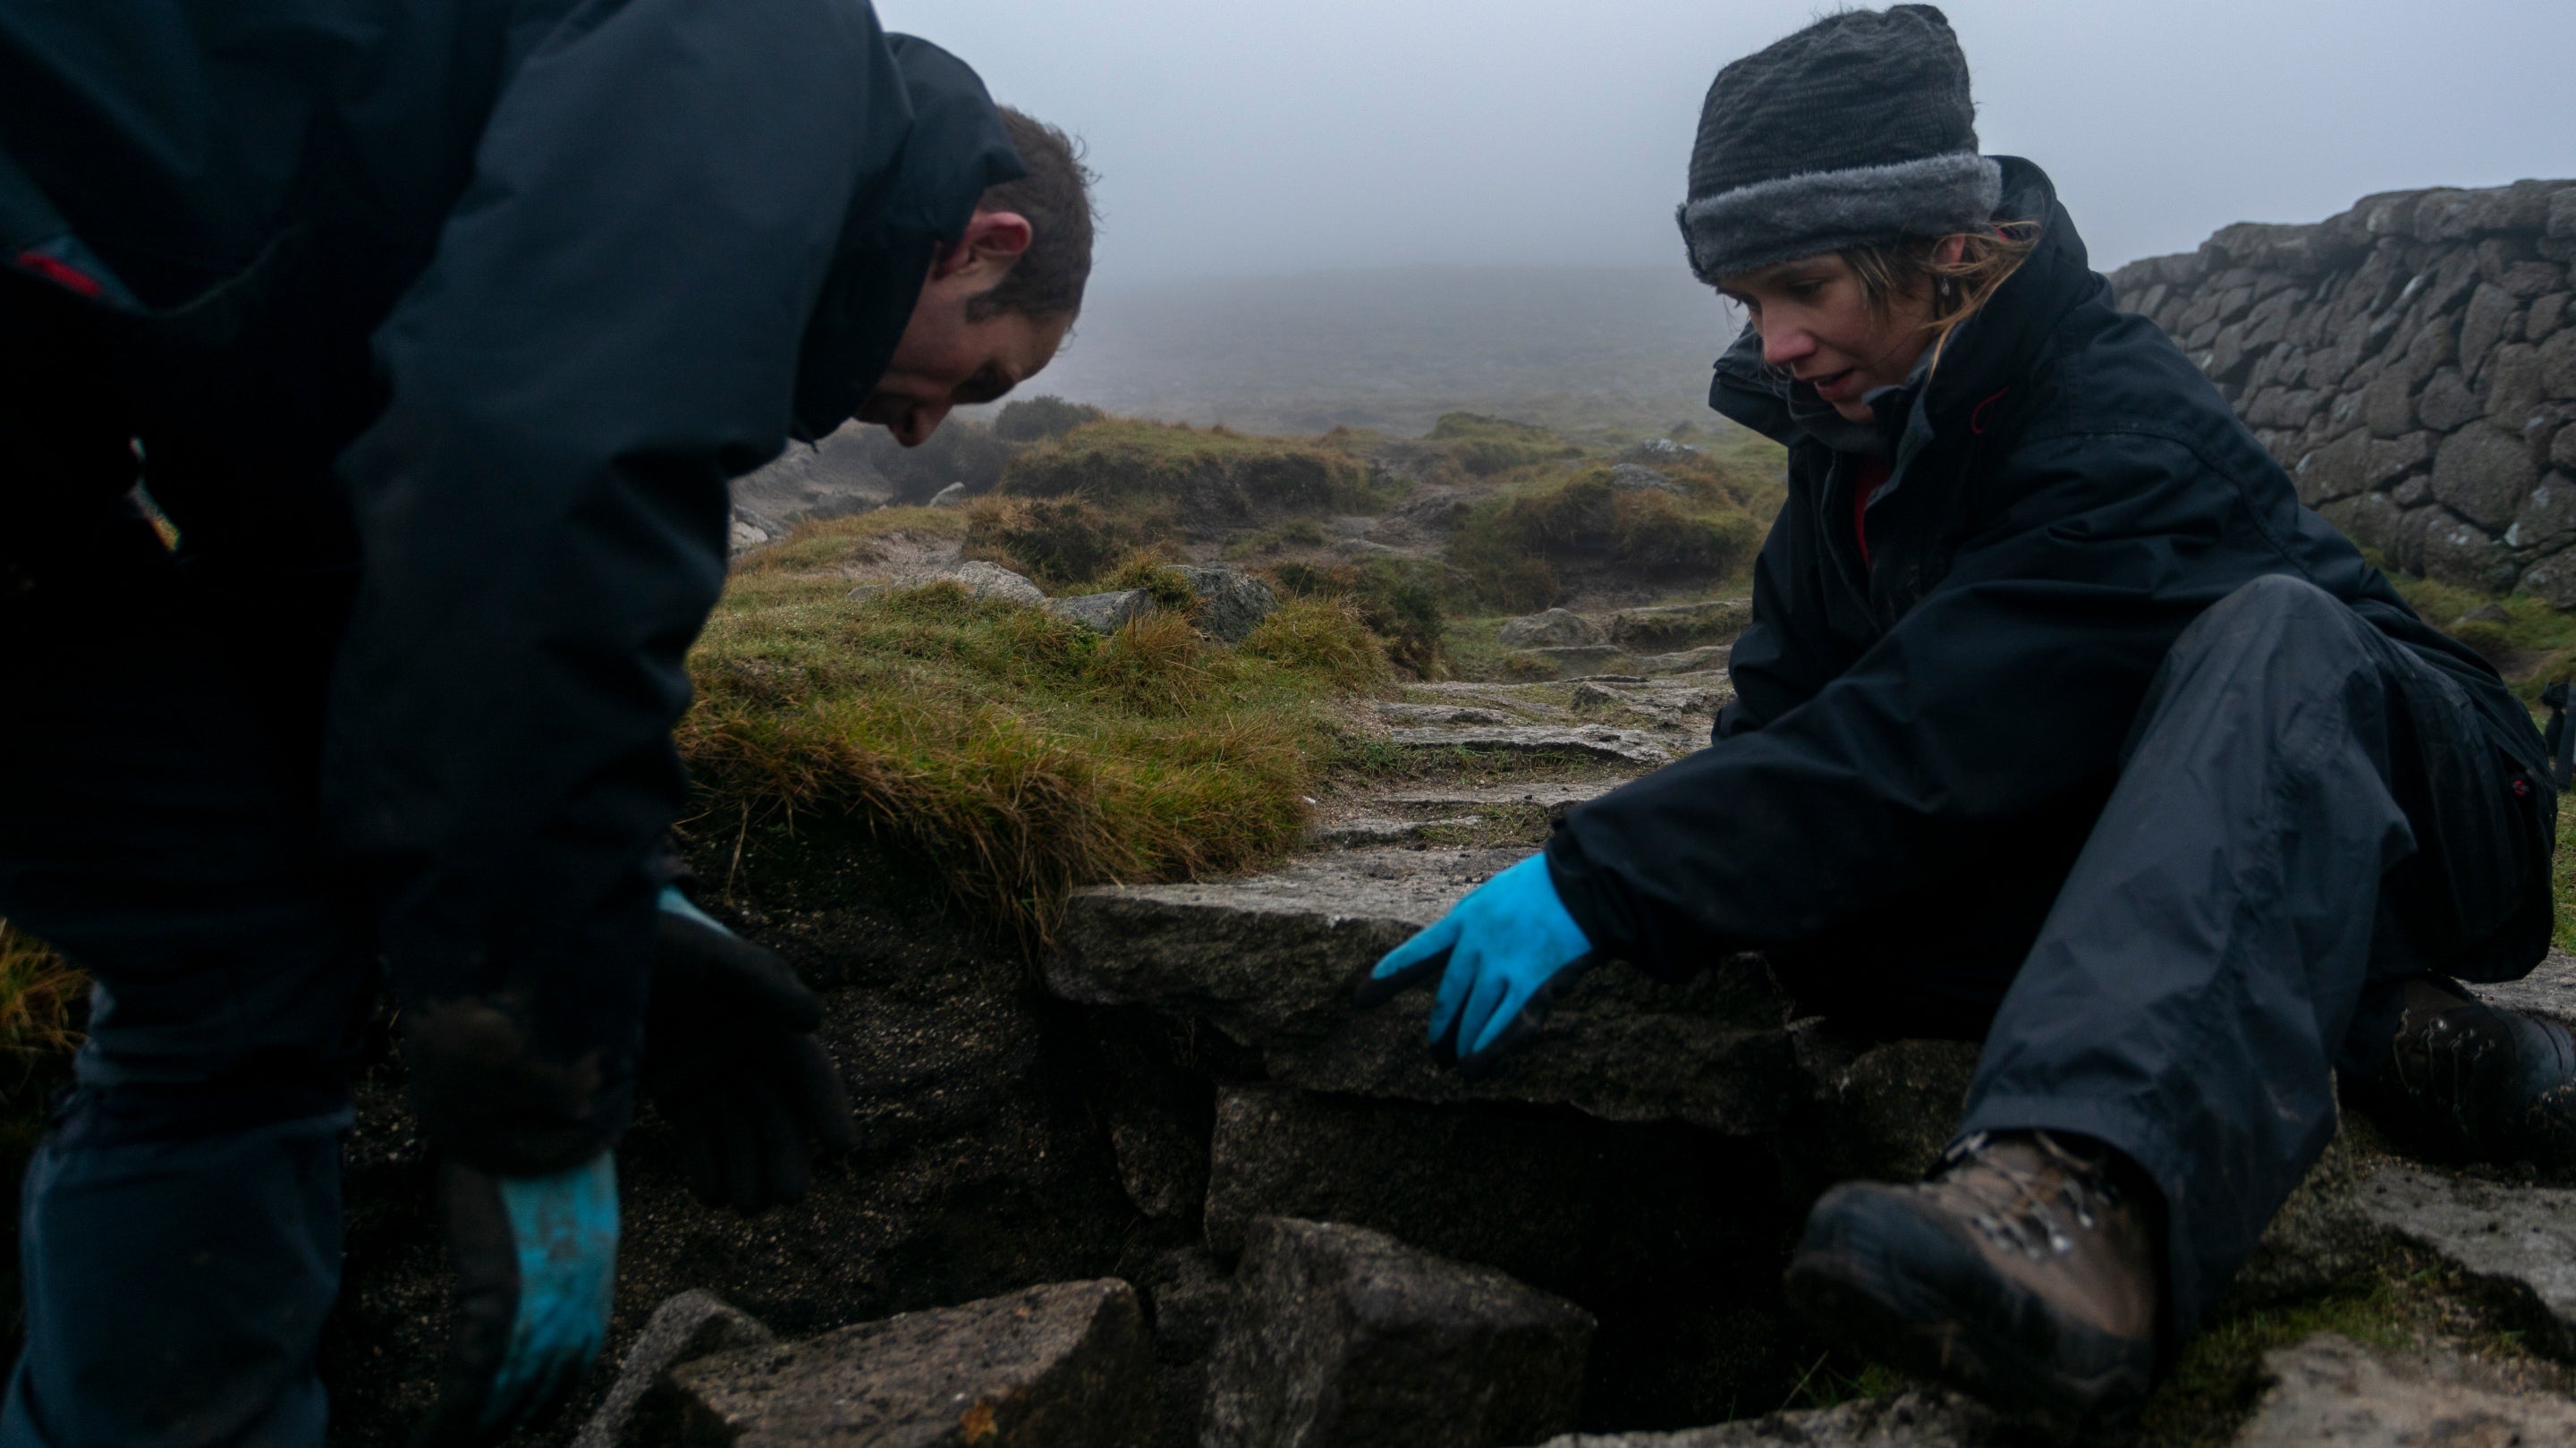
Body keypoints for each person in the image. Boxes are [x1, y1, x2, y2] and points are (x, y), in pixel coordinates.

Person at [1361, 4, 2572, 1427]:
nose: (1779, 340)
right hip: (2165, 807)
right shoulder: (1851, 447)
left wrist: (1603, 874)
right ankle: (2381, 1033)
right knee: (1820, 913)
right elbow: (1787, 720)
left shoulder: (2119, 417)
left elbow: (1941, 730)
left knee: (2271, 628)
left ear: (1946, 247)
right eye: (1746, 303)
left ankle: (2085, 1207)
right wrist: (1678, 885)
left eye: (1802, 286)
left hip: (2411, 782)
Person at [0, 0, 1094, 1440]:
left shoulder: (554, 177)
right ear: (984, 243)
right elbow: (530, 483)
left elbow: (335, 573)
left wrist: (611, 905)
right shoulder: (771, 52)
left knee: (235, 938)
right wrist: (532, 1103)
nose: (924, 431)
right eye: (986, 371)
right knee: (232, 947)